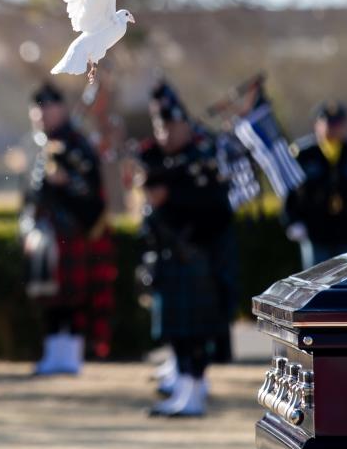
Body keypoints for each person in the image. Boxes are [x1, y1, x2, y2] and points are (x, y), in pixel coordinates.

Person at [137, 81, 236, 417]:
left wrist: (172, 198)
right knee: (176, 333)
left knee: (196, 334)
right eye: (159, 128)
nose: (164, 134)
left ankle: (194, 391)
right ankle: (183, 390)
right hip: (168, 257)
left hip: (197, 256)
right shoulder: (159, 163)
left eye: (170, 127)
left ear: (183, 126)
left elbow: (218, 209)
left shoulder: (201, 160)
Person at [21, 82, 115, 375]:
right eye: (37, 109)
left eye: (47, 108)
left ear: (60, 109)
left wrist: (67, 182)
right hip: (45, 232)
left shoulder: (77, 144)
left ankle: (70, 357)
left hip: (71, 230)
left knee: (72, 297)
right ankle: (53, 355)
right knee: (50, 297)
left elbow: (91, 190)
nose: (41, 115)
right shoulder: (42, 144)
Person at [283, 101, 347, 269]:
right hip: (315, 231)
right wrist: (292, 220)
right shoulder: (302, 154)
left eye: (337, 124)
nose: (332, 128)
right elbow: (288, 189)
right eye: (327, 123)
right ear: (317, 125)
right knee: (315, 282)